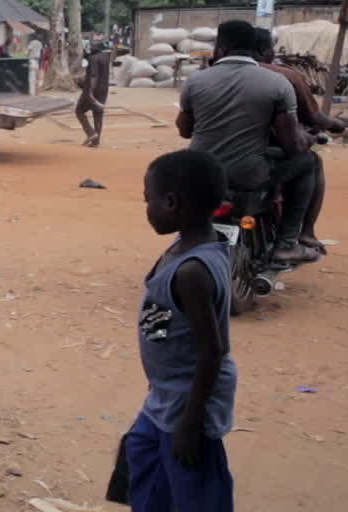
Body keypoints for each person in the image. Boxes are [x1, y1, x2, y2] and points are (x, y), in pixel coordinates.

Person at [129, 149, 237, 512]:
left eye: (149, 200)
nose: (146, 208)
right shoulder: (183, 247)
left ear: (172, 202)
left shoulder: (192, 271)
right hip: (166, 392)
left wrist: (191, 423)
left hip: (189, 401)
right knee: (142, 455)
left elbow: (212, 351)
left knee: (195, 484)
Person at [176, 20, 316, 264]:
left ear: (221, 48)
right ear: (257, 48)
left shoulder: (195, 81)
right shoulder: (277, 83)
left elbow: (184, 131)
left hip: (200, 171)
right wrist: (309, 139)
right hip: (248, 174)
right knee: (308, 162)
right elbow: (292, 145)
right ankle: (287, 243)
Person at [254, 28, 345, 254]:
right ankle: (296, 237)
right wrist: (336, 125)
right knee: (309, 162)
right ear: (265, 51)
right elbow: (312, 119)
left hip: (211, 159)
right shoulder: (284, 77)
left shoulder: (208, 76)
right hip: (260, 160)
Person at [77, 41, 112, 147]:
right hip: (103, 89)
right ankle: (96, 141)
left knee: (79, 111)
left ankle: (91, 133)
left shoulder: (93, 59)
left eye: (92, 47)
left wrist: (90, 92)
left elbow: (93, 76)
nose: (90, 48)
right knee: (98, 113)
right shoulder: (105, 58)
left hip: (91, 89)